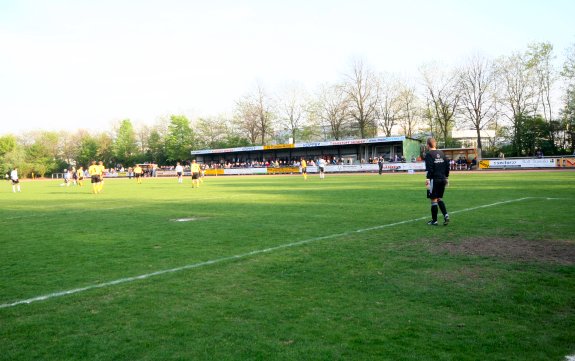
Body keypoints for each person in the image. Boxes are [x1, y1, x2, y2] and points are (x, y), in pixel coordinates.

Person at [425, 137, 450, 226]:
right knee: (439, 198)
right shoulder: (441, 153)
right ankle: (446, 215)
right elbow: (447, 166)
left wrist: (427, 179)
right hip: (442, 179)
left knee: (433, 200)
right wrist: (446, 177)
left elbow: (430, 169)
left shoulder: (429, 155)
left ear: (428, 145)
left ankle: (434, 221)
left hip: (434, 180)